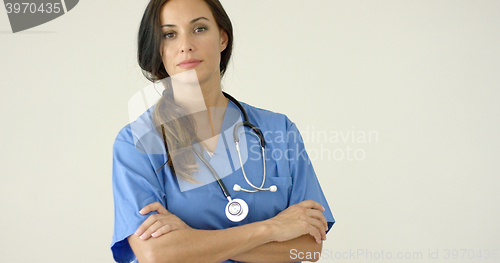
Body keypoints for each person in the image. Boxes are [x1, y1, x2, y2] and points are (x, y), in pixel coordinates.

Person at [111, 0, 335, 262]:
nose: (185, 45)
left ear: (222, 38)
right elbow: (156, 252)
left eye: (199, 29)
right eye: (169, 34)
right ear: (158, 49)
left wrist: (190, 240)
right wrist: (271, 229)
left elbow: (308, 248)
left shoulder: (279, 131)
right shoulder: (136, 142)